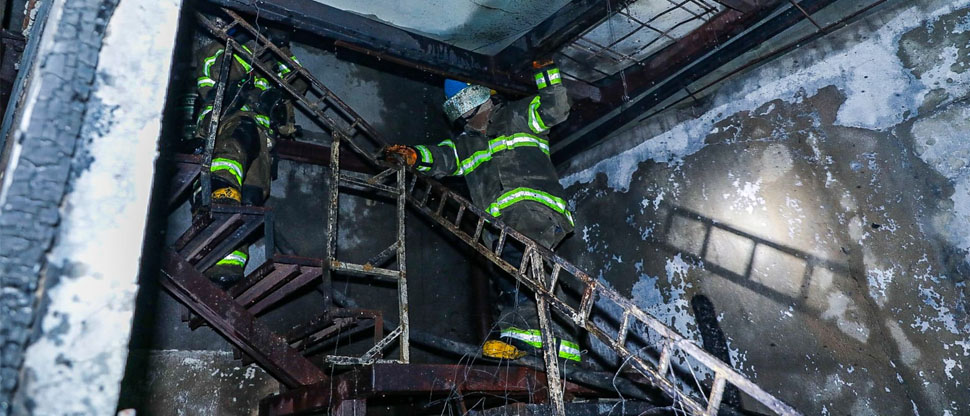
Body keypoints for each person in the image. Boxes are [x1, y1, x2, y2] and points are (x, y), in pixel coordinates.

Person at [382, 60, 581, 363]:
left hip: (537, 213)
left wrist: (546, 73)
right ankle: (563, 348)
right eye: (455, 110)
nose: (463, 116)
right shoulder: (466, 144)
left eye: (465, 105)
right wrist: (413, 156)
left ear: (483, 97)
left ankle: (520, 338)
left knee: (518, 273)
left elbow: (556, 108)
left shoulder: (519, 115)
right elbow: (441, 158)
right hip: (501, 226)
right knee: (525, 278)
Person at [191, 26, 306, 288]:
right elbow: (215, 74)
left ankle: (229, 264)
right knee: (226, 169)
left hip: (263, 135)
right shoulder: (224, 49)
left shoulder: (273, 60)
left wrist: (282, 50)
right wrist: (248, 43)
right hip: (228, 119)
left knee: (251, 198)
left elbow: (299, 82)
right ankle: (210, 245)